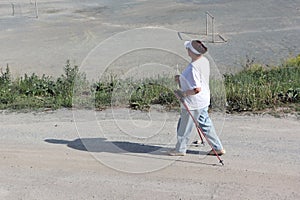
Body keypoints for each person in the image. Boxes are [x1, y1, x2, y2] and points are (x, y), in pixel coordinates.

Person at [169, 40, 225, 156]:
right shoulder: (204, 61)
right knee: (205, 124)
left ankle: (180, 150)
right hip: (203, 100)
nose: (187, 50)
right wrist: (181, 79)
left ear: (191, 51)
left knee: (184, 126)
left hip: (193, 103)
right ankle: (218, 147)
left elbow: (196, 89)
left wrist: (182, 94)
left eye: (188, 48)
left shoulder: (193, 68)